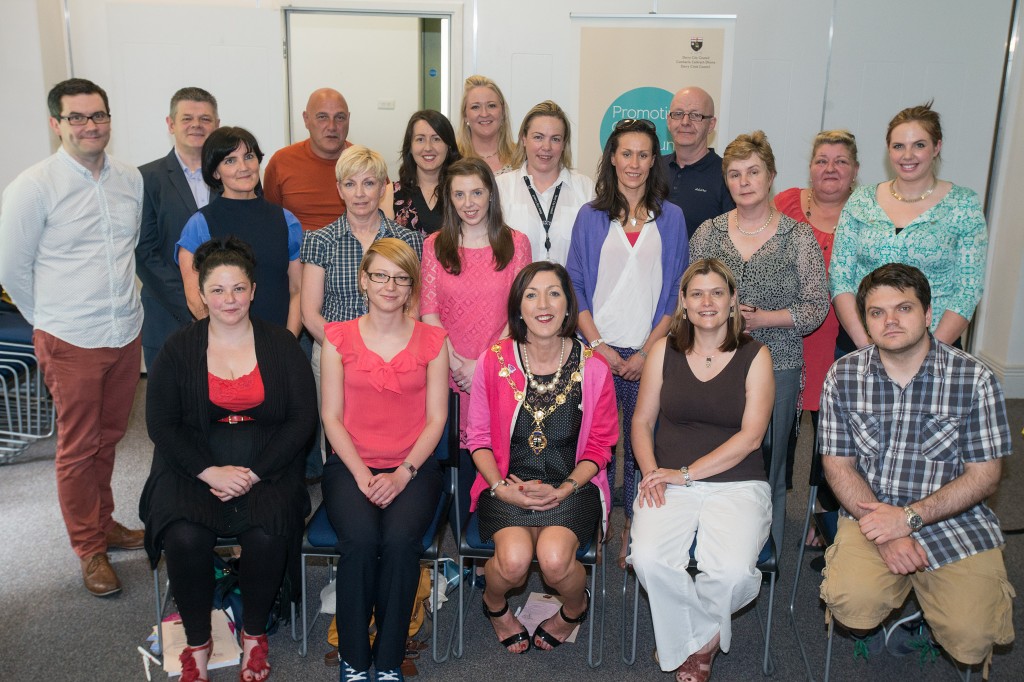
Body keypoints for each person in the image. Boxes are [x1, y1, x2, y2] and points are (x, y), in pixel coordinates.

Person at [819, 263, 1013, 677]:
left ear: (927, 315)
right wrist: (885, 532)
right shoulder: (843, 376)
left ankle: (926, 618)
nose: (890, 321)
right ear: (866, 324)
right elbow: (838, 467)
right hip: (870, 513)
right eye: (876, 313)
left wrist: (908, 519)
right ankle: (898, 604)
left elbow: (985, 477)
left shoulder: (974, 379)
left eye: (903, 308)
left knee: (971, 635)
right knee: (853, 604)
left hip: (953, 520)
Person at [141, 236, 316, 682]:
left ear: (254, 290)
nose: (229, 299)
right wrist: (208, 471)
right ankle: (198, 642)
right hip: (193, 465)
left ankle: (255, 634)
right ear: (201, 294)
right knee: (183, 536)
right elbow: (162, 425)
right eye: (217, 290)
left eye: (238, 288)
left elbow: (301, 421)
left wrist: (255, 473)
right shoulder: (178, 350)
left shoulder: (280, 344)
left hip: (267, 465)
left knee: (268, 532)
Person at [0, 78, 146, 596]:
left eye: (98, 115)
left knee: (109, 438)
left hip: (125, 331)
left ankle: (104, 522)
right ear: (56, 124)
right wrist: (51, 325)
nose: (91, 126)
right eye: (78, 117)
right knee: (77, 447)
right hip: (70, 338)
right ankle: (88, 548)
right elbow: (12, 270)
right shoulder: (33, 186)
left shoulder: (130, 179)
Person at [629, 258, 775, 682]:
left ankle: (694, 642)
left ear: (732, 302)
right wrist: (653, 471)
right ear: (684, 303)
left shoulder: (756, 355)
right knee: (650, 559)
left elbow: (751, 438)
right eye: (697, 293)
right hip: (668, 477)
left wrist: (685, 473)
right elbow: (640, 422)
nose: (706, 301)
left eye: (716, 293)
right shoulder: (662, 351)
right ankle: (702, 641)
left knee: (730, 573)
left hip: (737, 482)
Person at [467, 262, 619, 653]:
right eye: (531, 295)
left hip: (571, 485)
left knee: (553, 560)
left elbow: (601, 446)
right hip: (507, 484)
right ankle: (495, 606)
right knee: (515, 562)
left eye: (554, 293)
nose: (543, 304)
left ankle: (574, 609)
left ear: (569, 306)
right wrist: (501, 488)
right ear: (518, 308)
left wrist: (566, 488)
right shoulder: (494, 360)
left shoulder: (594, 367)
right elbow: (478, 438)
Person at [690, 130, 829, 552]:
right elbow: (690, 296)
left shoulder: (797, 236)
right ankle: (711, 536)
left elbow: (816, 306)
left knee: (769, 458)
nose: (744, 181)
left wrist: (762, 319)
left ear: (770, 176)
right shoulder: (708, 233)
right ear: (726, 182)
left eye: (753, 171)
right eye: (735, 174)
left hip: (778, 362)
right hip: (714, 363)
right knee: (713, 448)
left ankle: (761, 547)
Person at [319, 238, 449, 680]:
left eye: (400, 278)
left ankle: (389, 658)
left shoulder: (433, 340)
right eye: (380, 275)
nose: (390, 286)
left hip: (414, 467)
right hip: (350, 465)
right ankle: (355, 658)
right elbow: (331, 418)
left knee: (398, 544)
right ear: (363, 280)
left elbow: (437, 420)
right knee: (359, 541)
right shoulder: (337, 338)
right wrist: (362, 474)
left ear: (411, 286)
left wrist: (402, 474)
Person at [566, 118, 688, 568]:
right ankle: (595, 519)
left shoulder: (671, 218)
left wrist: (646, 351)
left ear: (653, 161)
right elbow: (575, 284)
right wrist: (599, 347)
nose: (634, 163)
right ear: (612, 157)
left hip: (649, 352)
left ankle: (635, 524)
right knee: (593, 443)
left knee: (642, 446)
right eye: (626, 153)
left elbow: (677, 289)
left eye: (643, 154)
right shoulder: (591, 216)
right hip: (596, 351)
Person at [830, 102, 987, 350]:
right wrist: (866, 345)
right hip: (860, 344)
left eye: (919, 145)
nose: (907, 156)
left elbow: (967, 289)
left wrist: (928, 351)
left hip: (935, 347)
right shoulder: (861, 201)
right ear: (888, 149)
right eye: (899, 146)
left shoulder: (962, 205)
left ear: (937, 147)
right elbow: (840, 278)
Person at [774, 129, 859, 538]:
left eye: (841, 161)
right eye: (822, 160)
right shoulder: (785, 203)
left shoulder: (865, 213)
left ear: (855, 171)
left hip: (842, 338)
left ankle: (824, 509)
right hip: (784, 334)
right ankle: (773, 503)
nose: (830, 169)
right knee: (779, 428)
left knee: (833, 430)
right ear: (810, 167)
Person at [421, 157, 532, 451]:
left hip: (500, 366)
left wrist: (483, 366)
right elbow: (428, 312)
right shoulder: (434, 245)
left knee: (497, 460)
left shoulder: (516, 243)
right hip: (448, 367)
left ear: (491, 194)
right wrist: (457, 364)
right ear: (450, 199)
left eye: (477, 193)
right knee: (452, 462)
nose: (468, 203)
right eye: (459, 194)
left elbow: (520, 312)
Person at [176, 127, 304, 336]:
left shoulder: (286, 220)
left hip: (278, 342)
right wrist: (226, 341)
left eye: (249, 156)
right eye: (230, 161)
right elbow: (194, 296)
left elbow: (297, 290)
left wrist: (288, 341)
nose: (243, 167)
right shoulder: (199, 224)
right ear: (215, 172)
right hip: (224, 348)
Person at [137, 87, 221, 368]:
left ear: (217, 125)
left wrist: (220, 303)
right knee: (168, 406)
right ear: (170, 124)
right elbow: (145, 252)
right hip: (167, 315)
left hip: (228, 313)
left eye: (205, 119)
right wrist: (194, 304)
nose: (196, 125)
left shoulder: (236, 176)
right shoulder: (145, 179)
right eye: (187, 118)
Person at [496, 100, 595, 264]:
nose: (546, 147)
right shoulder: (501, 187)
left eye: (555, 139)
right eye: (538, 137)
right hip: (516, 289)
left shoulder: (585, 188)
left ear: (564, 144)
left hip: (568, 289)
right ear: (523, 139)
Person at [264, 88, 352, 231]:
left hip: (353, 251)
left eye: (340, 117)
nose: (332, 126)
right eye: (322, 117)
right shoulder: (281, 162)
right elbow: (269, 220)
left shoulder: (367, 164)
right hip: (297, 251)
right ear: (306, 119)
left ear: (348, 119)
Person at [661, 87, 735, 238]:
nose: (685, 122)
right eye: (678, 114)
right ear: (669, 121)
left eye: (696, 115)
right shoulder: (652, 168)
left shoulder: (727, 176)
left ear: (711, 125)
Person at [382, 109, 462, 235]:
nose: (428, 147)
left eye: (436, 139)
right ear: (410, 147)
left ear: (449, 146)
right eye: (420, 139)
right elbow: (384, 248)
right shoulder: (389, 194)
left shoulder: (463, 191)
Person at [456, 75, 515, 174]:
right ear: (465, 115)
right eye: (475, 107)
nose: (484, 114)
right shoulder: (452, 159)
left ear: (503, 112)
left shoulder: (521, 157)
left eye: (491, 105)